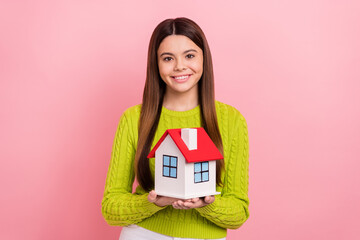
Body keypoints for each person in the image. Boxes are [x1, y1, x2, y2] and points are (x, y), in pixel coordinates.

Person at [101, 17, 250, 240]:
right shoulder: (134, 119)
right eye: (168, 58)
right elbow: (111, 207)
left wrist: (205, 204)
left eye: (189, 55)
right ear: (156, 64)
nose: (179, 66)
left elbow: (239, 213)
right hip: (144, 234)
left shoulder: (231, 120)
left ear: (204, 59)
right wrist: (152, 202)